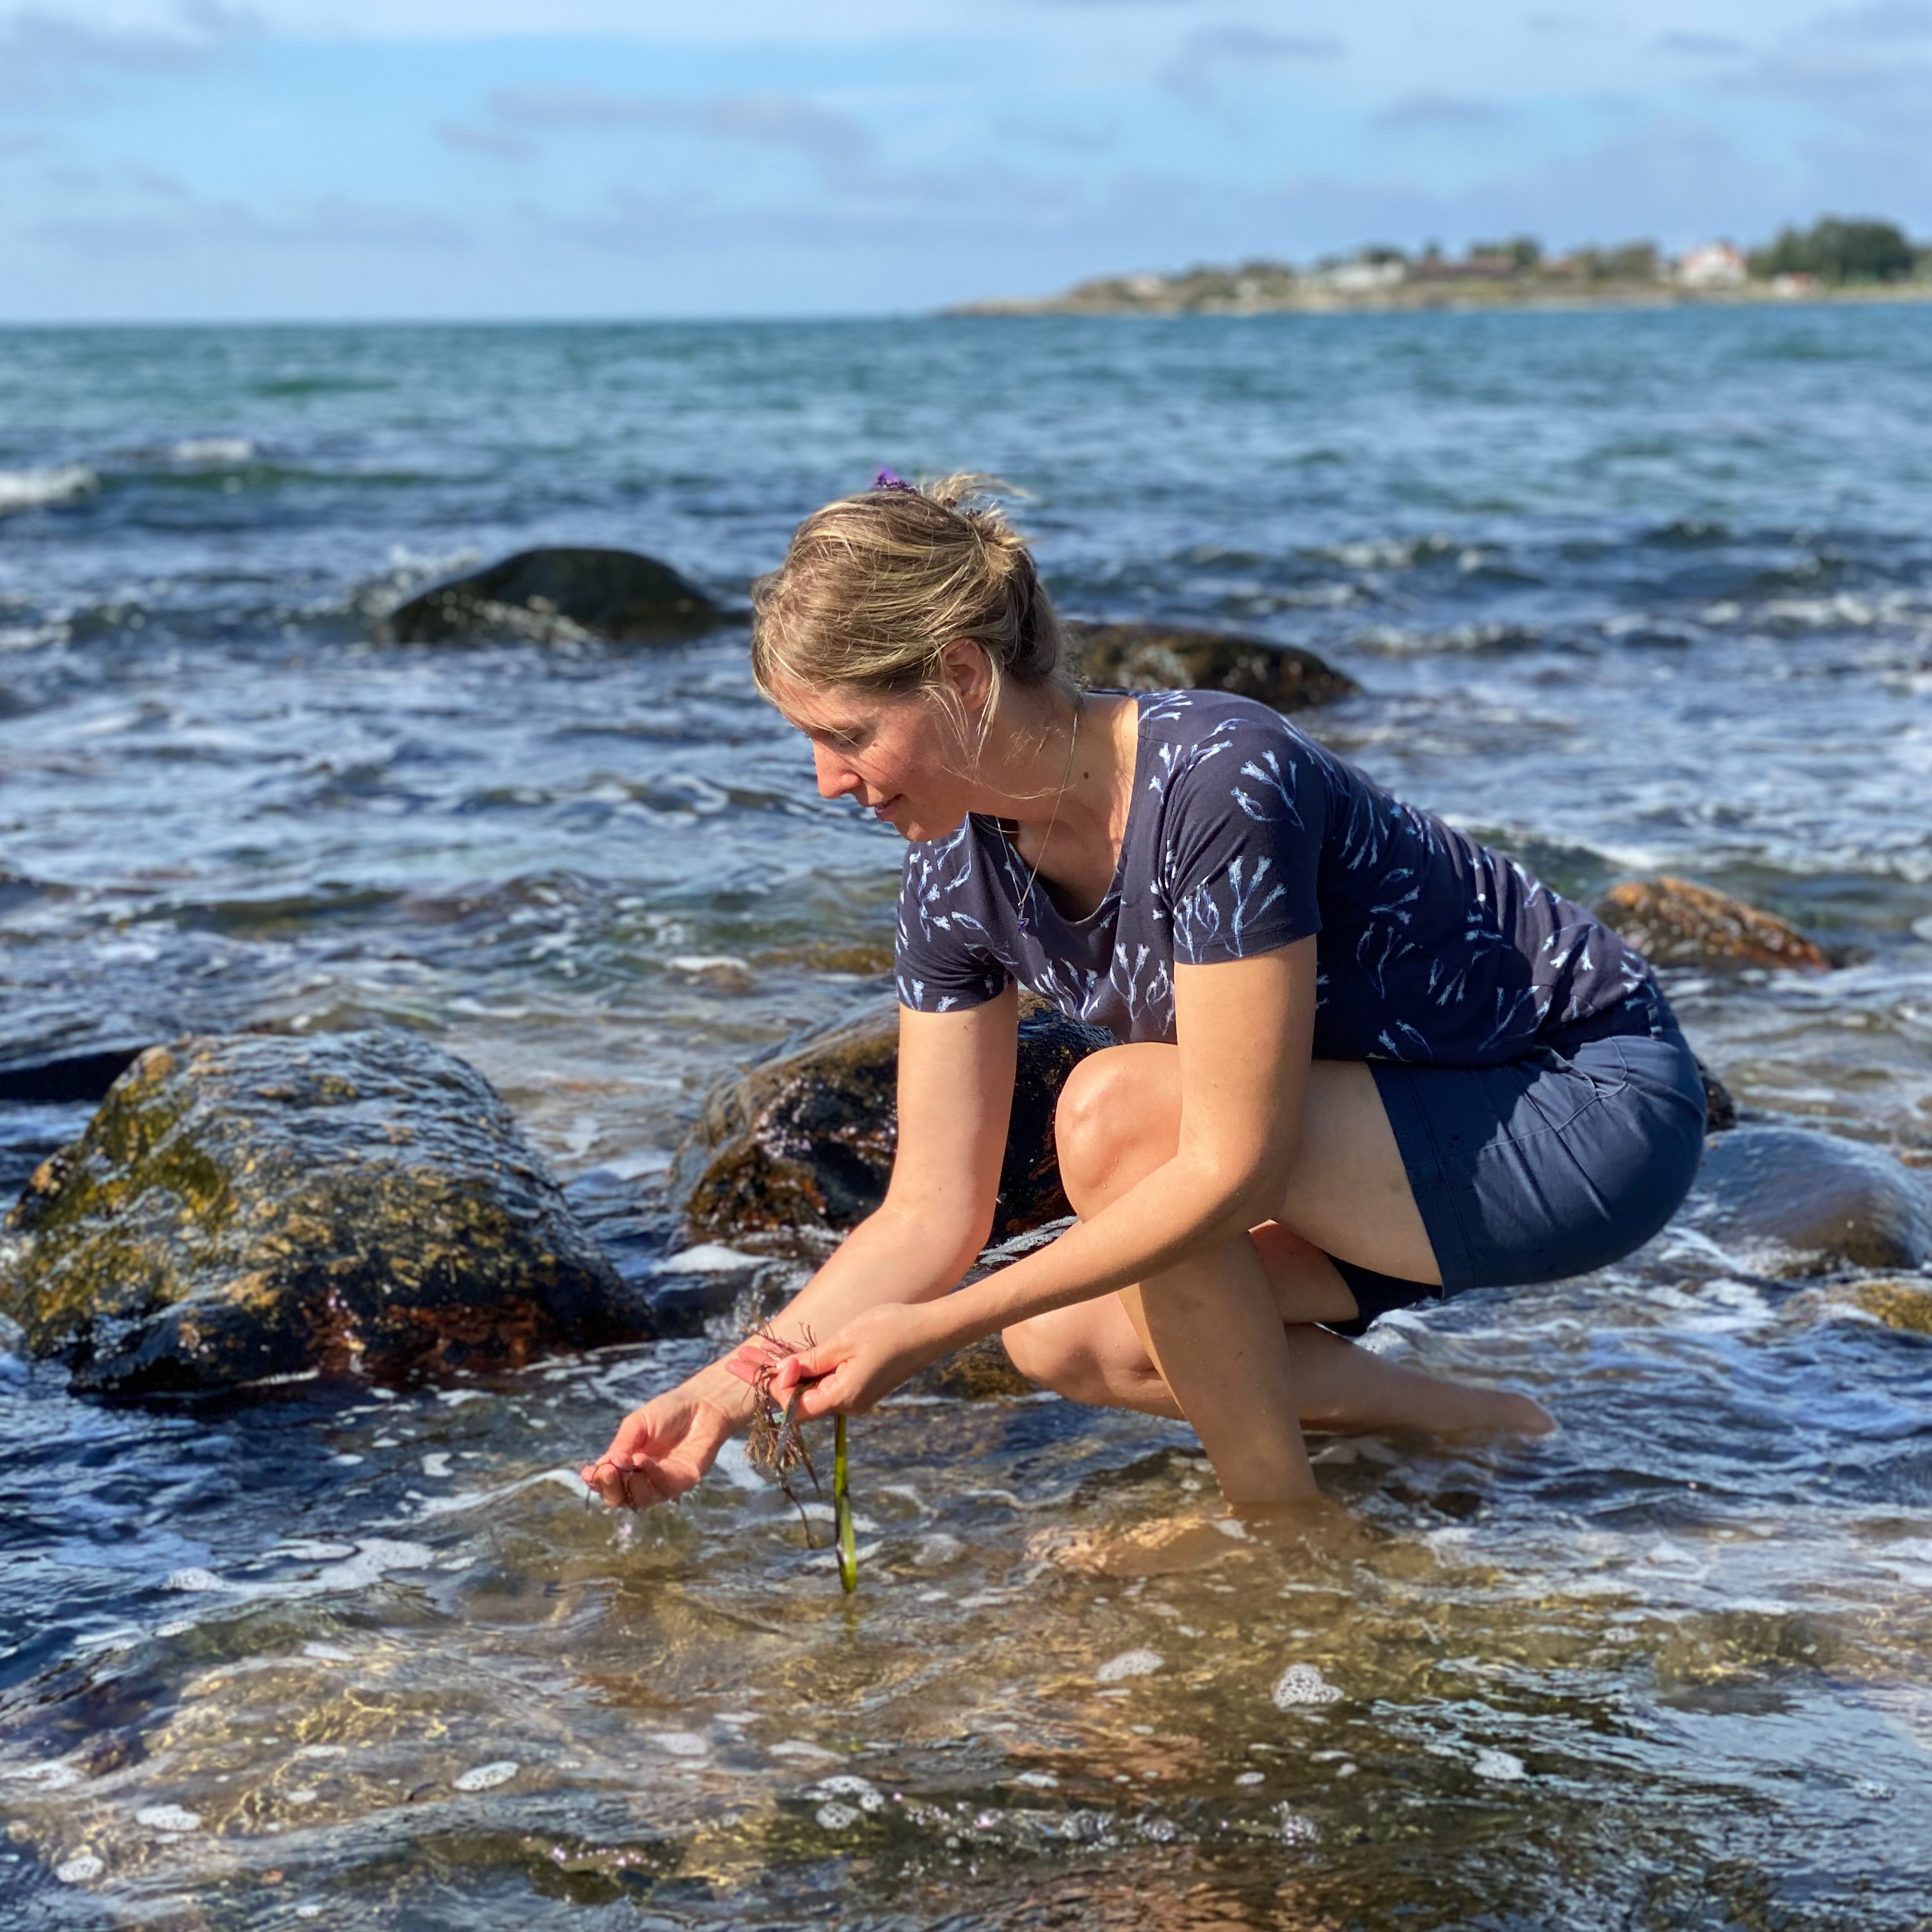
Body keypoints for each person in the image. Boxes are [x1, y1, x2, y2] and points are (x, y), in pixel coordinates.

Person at [582, 475, 1706, 1515]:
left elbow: (1230, 1168)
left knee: (1116, 1112)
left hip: (1578, 1108)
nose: (828, 780)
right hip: (1386, 1137)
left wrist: (932, 1330)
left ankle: (1280, 1529)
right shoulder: (948, 869)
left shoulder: (1216, 776)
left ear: (965, 676)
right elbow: (930, 1209)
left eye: (847, 734)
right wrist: (730, 1390)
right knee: (1067, 1340)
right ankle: (1487, 1426)